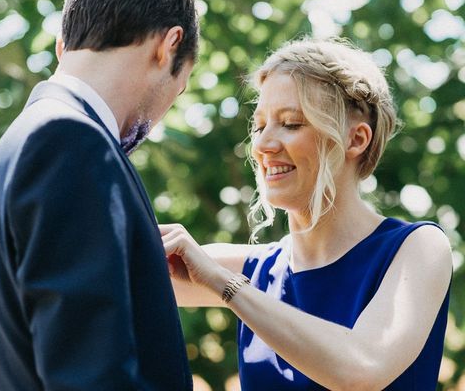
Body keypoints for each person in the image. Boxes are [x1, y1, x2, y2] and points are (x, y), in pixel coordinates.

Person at [0, 0, 199, 390]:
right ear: (169, 46)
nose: (163, 113)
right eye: (178, 90)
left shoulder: (8, 154)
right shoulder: (70, 143)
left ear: (61, 45)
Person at [161, 37, 451, 390]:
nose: (264, 146)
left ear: (356, 139)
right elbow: (96, 272)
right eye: (259, 125)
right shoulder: (254, 269)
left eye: (291, 123)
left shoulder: (417, 248)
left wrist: (225, 285)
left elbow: (363, 368)